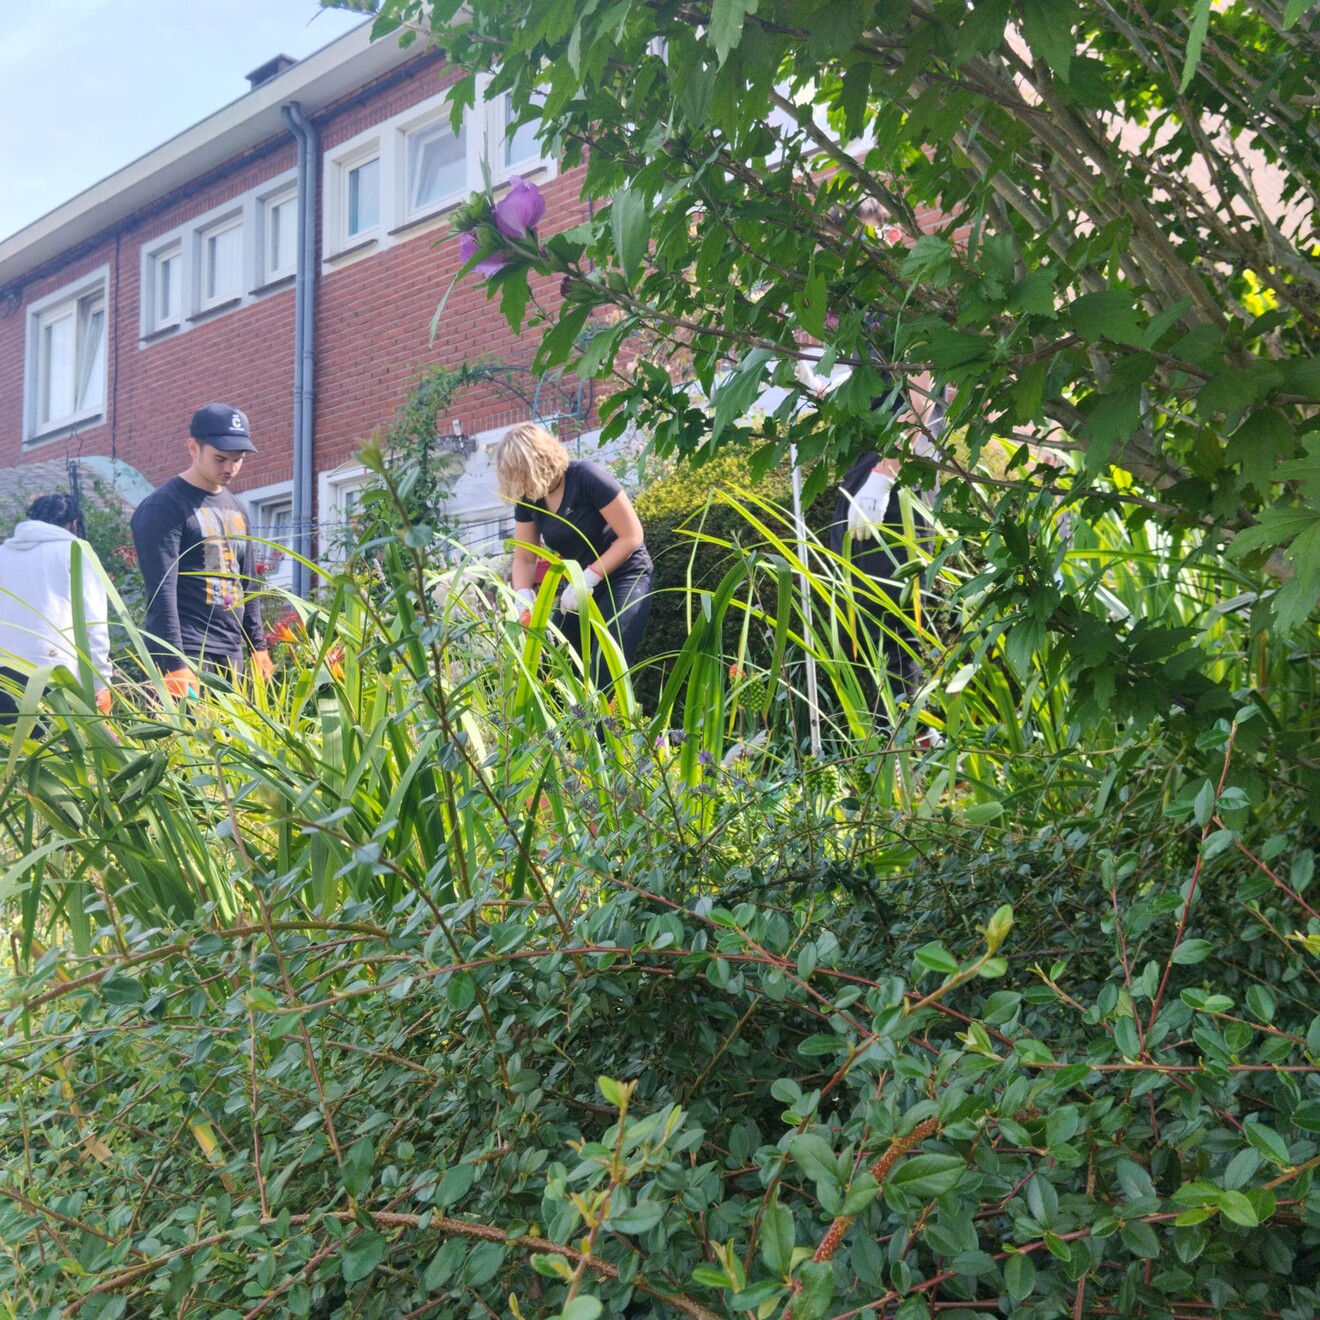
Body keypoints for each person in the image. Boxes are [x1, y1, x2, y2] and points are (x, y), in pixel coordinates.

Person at [130, 403, 272, 695]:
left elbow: (249, 583)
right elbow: (161, 592)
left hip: (231, 655)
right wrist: (173, 663)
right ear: (193, 447)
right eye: (220, 458)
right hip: (188, 652)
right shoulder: (164, 507)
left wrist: (257, 647)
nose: (230, 468)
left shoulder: (237, 509)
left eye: (238, 459)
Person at [494, 422, 653, 683]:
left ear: (540, 461)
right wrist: (522, 599)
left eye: (522, 474)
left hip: (624, 576)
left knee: (606, 665)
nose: (520, 485)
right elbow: (524, 557)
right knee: (553, 666)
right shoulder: (530, 495)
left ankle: (612, 723)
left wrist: (589, 578)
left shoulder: (586, 477)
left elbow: (632, 536)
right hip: (578, 588)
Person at [0, 492, 112, 721]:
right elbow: (93, 625)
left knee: (8, 751)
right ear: (74, 524)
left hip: (4, 671)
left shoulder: (3, 553)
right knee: (53, 751)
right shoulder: (76, 552)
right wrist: (100, 682)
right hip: (53, 673)